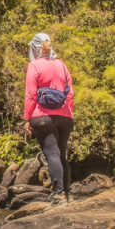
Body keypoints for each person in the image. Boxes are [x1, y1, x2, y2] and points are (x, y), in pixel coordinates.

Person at [23, 33, 74, 203]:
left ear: (35, 48)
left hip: (42, 116)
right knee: (61, 154)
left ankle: (58, 195)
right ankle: (67, 194)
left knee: (52, 154)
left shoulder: (34, 65)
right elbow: (70, 93)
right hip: (65, 115)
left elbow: (30, 95)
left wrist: (27, 118)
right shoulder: (62, 65)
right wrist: (69, 112)